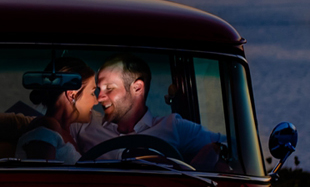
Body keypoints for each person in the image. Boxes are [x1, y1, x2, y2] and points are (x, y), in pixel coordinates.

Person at [77, 53, 229, 168]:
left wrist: (214, 150)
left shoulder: (173, 126)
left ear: (137, 88)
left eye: (109, 89)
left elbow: (233, 144)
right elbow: (54, 133)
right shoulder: (84, 124)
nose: (100, 97)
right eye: (99, 89)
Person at [0, 55, 99, 162]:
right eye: (92, 92)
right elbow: (42, 183)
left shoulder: (66, 131)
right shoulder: (45, 129)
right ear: (72, 95)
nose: (96, 100)